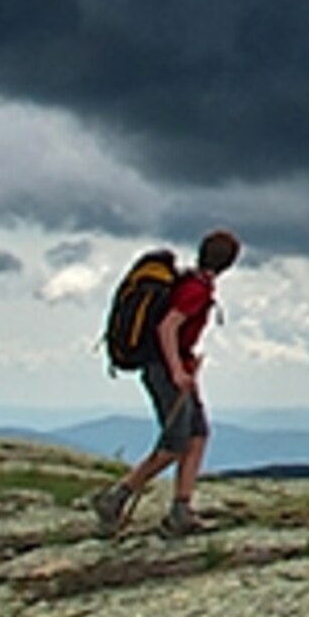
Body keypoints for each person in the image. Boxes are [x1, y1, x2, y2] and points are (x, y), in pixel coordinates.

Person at [92, 230, 240, 537]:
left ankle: (181, 509)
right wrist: (176, 370)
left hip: (173, 367)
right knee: (174, 444)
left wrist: (185, 365)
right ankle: (116, 497)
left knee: (198, 434)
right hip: (164, 370)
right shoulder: (195, 289)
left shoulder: (192, 282)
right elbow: (168, 326)